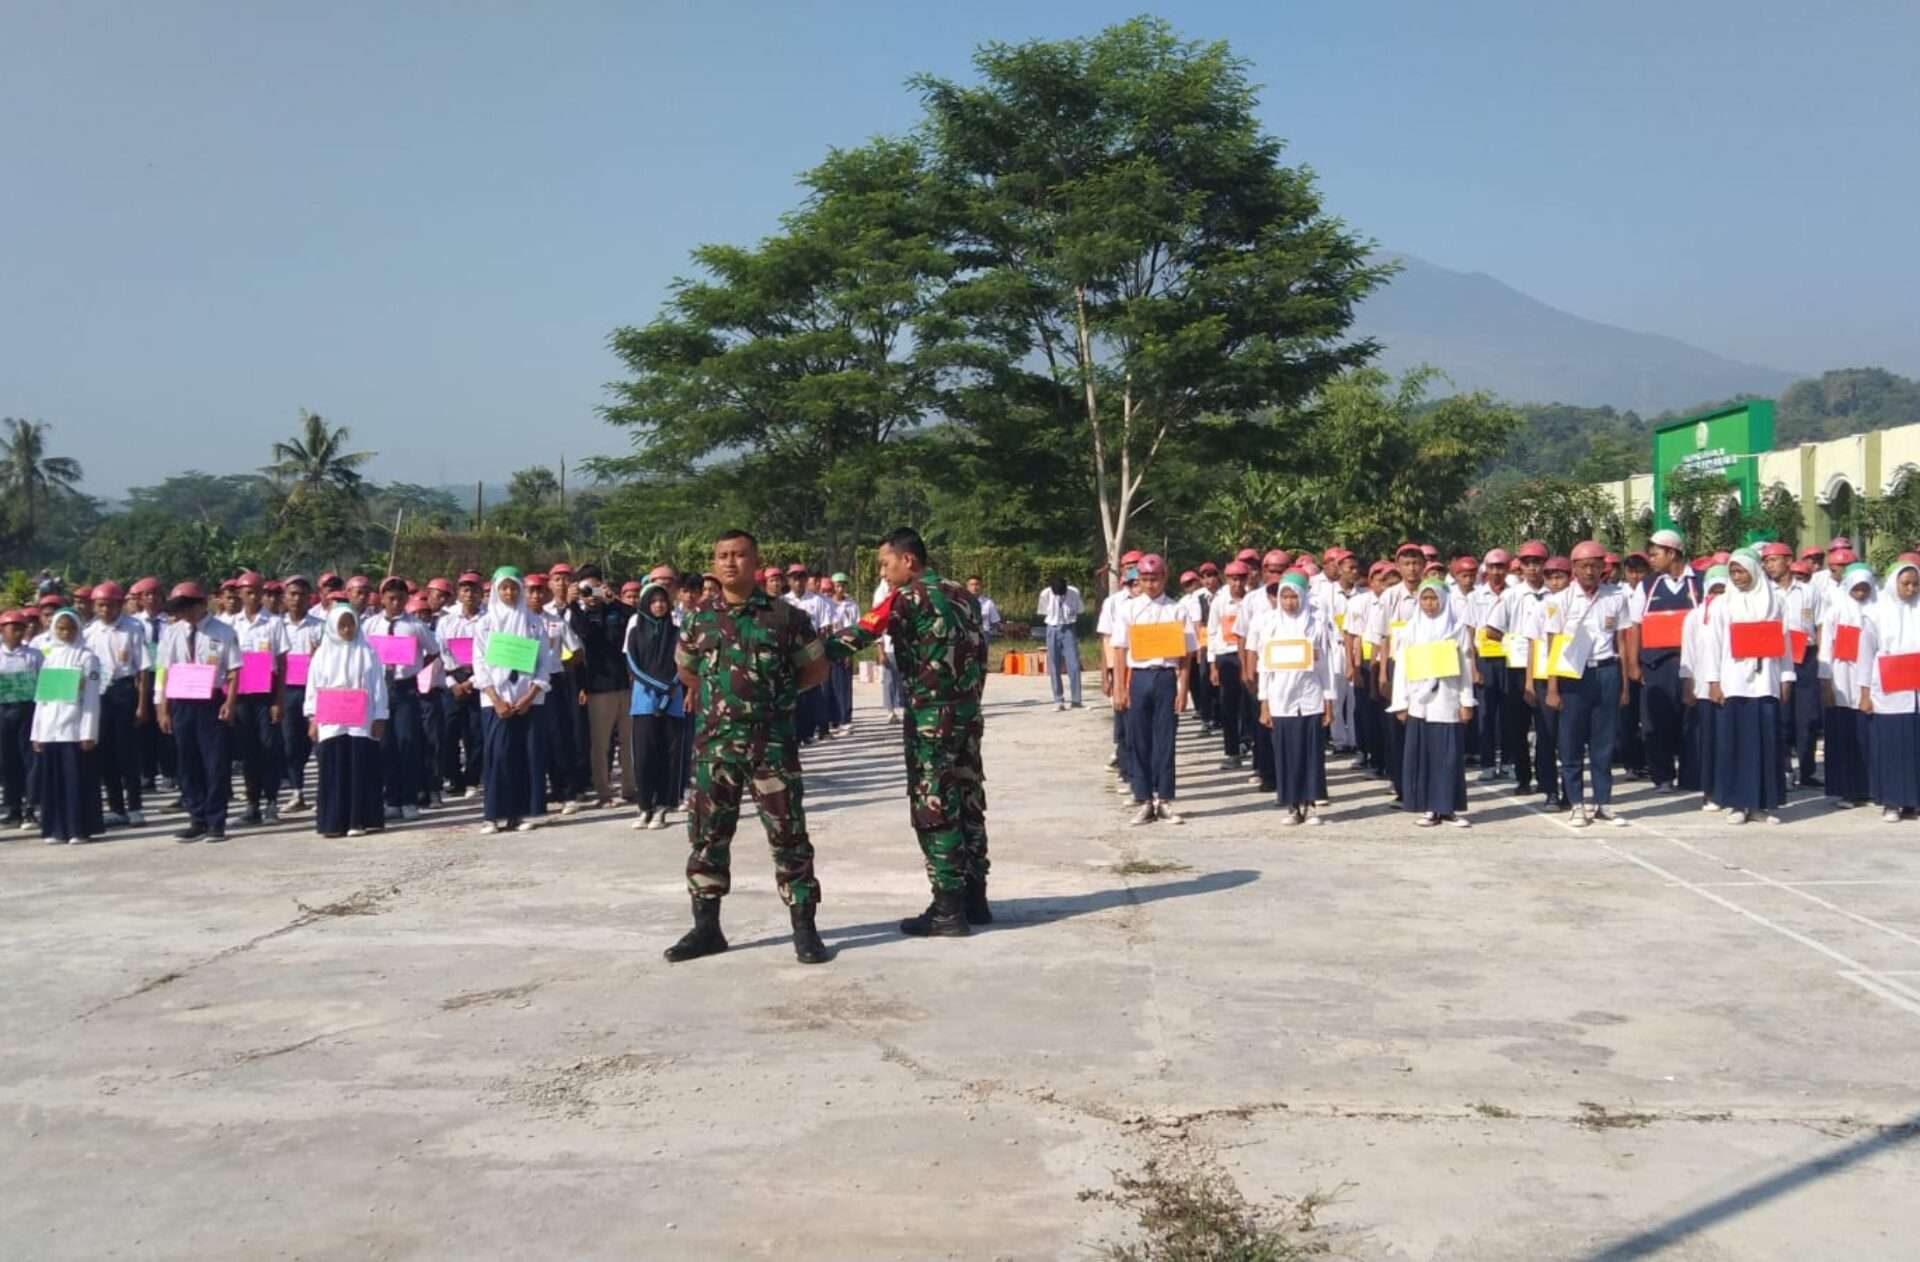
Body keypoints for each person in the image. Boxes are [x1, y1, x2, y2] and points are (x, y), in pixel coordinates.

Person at [666, 529, 831, 966]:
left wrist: (773, 700)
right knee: (707, 837)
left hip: (770, 746)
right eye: (722, 556)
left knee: (789, 836)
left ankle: (804, 928)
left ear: (756, 561)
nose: (730, 563)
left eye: (739, 555)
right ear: (714, 562)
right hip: (715, 748)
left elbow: (814, 669)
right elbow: (687, 671)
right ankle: (706, 927)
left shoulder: (785, 617)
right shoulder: (698, 619)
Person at [826, 527, 992, 933]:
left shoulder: (905, 599)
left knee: (934, 806)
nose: (883, 572)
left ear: (908, 561)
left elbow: (860, 634)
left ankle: (948, 909)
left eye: (885, 563)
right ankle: (975, 898)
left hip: (931, 722)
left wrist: (803, 654)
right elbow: (982, 652)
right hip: (968, 717)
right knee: (969, 800)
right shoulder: (965, 597)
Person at [1541, 541, 1634, 827]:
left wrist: (1624, 685)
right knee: (1570, 741)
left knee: (1603, 741)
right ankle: (1577, 803)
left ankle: (1603, 802)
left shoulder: (1615, 597)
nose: (1590, 571)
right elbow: (1553, 643)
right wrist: (1553, 688)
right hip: (1572, 675)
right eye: (1584, 566)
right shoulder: (1558, 601)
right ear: (1574, 569)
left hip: (1606, 672)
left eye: (1596, 565)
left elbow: (1620, 641)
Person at [1701, 548, 1792, 825]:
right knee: (1736, 743)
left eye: (1742, 571)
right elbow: (1712, 646)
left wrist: (1786, 677)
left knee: (1765, 743)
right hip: (1735, 683)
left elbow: (1785, 642)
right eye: (1733, 572)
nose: (1738, 577)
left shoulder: (1775, 601)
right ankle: (1738, 803)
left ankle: (1762, 804)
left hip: (1765, 683)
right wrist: (1714, 682)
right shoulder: (1722, 604)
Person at [155, 582, 243, 843]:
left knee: (215, 762)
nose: (182, 613)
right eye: (177, 609)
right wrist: (163, 708)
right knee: (187, 761)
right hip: (181, 700)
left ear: (200, 605)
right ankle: (197, 817)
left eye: (186, 607)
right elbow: (164, 671)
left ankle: (216, 820)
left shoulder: (223, 631)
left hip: (211, 700)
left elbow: (235, 670)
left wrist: (230, 702)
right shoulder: (172, 633)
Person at [1113, 553, 1196, 826]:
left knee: (1165, 740)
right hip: (1138, 677)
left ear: (1164, 578)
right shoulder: (1129, 609)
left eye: (1155, 579)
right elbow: (1120, 648)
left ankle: (1165, 799)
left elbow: (1186, 655)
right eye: (1145, 579)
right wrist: (1119, 688)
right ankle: (1144, 798)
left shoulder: (1176, 610)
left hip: (1165, 678)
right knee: (1139, 740)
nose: (1150, 585)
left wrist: (1183, 689)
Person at [474, 568, 555, 835]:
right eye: (504, 588)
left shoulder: (533, 623)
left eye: (513, 588)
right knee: (498, 755)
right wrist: (495, 698)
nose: (509, 593)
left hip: (528, 700)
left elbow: (545, 663)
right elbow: (479, 663)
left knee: (526, 755)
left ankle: (521, 812)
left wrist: (530, 695)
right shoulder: (485, 623)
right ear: (496, 590)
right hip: (496, 701)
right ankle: (493, 814)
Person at [1249, 572, 1332, 825]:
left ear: (1303, 596)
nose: (1288, 602)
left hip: (1310, 696)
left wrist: (1329, 701)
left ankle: (1311, 803)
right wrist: (1264, 703)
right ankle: (1293, 806)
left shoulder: (1316, 621)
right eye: (1284, 597)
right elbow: (1265, 667)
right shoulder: (1269, 623)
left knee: (1311, 752)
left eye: (1293, 596)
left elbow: (1326, 665)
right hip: (1280, 698)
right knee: (1286, 753)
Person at [1392, 577, 1475, 827]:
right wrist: (1401, 703)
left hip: (1447, 701)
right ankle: (1429, 808)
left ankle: (1447, 807)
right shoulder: (1409, 631)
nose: (1429, 604)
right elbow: (1402, 669)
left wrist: (1466, 701)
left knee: (1448, 757)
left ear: (1443, 599)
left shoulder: (1457, 629)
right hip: (1420, 703)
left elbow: (1465, 667)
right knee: (1424, 757)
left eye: (1433, 598)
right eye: (1425, 599)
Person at [305, 603, 389, 838]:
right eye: (341, 625)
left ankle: (359, 820)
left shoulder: (367, 651)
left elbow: (378, 687)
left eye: (350, 624)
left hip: (360, 718)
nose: (346, 629)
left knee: (359, 767)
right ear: (332, 627)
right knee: (334, 768)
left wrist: (380, 715)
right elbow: (313, 688)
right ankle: (333, 822)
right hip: (331, 719)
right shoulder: (322, 654)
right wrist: (313, 717)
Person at [1631, 529, 1698, 794]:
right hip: (1656, 664)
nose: (1651, 559)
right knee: (1657, 722)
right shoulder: (1647, 586)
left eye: (1655, 553)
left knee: (1690, 719)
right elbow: (1634, 626)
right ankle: (1663, 776)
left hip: (1690, 664)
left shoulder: (1699, 582)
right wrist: (1634, 664)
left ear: (1672, 553)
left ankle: (1693, 775)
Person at [31, 608, 105, 845]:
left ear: (78, 629)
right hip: (51, 730)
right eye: (61, 628)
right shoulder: (49, 657)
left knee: (75, 781)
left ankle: (78, 829)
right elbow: (41, 700)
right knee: (53, 783)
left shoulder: (87, 657)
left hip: (74, 728)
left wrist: (88, 731)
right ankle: (56, 829)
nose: (65, 633)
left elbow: (92, 696)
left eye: (70, 628)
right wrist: (38, 732)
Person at [368, 576, 439, 821]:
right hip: (380, 688)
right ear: (382, 599)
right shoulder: (371, 625)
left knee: (407, 742)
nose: (395, 602)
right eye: (390, 598)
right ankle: (392, 799)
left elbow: (433, 650)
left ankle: (410, 799)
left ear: (406, 599)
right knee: (385, 745)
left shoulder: (415, 625)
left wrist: (415, 666)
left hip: (405, 688)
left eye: (400, 597)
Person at [83, 580, 150, 827]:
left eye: (110, 606)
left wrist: (142, 705)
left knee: (128, 752)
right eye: (100, 606)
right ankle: (116, 807)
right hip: (99, 693)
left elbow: (142, 669)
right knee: (106, 753)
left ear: (119, 605)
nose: (105, 611)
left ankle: (135, 806)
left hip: (124, 690)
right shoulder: (89, 632)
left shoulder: (133, 628)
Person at [567, 570, 636, 808]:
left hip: (625, 684)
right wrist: (574, 604)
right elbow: (584, 633)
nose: (591, 595)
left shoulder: (616, 611)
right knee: (600, 743)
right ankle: (604, 792)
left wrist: (614, 599)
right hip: (598, 687)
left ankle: (630, 788)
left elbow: (638, 618)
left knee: (629, 741)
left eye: (594, 589)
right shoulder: (579, 615)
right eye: (586, 591)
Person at [228, 571, 289, 825]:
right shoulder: (231, 625)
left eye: (257, 592)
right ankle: (252, 803)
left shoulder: (274, 623)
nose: (253, 597)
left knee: (269, 749)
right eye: (248, 592)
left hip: (266, 695)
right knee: (248, 751)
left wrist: (278, 700)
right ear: (240, 594)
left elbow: (283, 665)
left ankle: (271, 801)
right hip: (241, 696)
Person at [624, 577, 685, 831]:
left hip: (672, 699)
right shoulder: (636, 632)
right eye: (654, 601)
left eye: (663, 601)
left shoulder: (677, 631)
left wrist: (670, 687)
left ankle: (663, 806)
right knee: (644, 754)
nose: (659, 605)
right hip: (644, 700)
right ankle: (644, 807)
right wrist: (657, 687)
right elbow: (633, 666)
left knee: (669, 755)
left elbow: (683, 663)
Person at [1861, 558, 1920, 821]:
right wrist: (1864, 693)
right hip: (1889, 687)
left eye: (1916, 584)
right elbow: (1865, 654)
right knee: (1892, 746)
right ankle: (1892, 802)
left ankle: (1913, 801)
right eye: (1906, 584)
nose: (1911, 589)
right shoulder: (1876, 613)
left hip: (1916, 690)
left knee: (1915, 747)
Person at [1818, 562, 1876, 809]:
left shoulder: (1878, 611)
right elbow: (1826, 651)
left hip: (1871, 683)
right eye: (1856, 588)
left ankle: (1870, 788)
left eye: (1865, 588)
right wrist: (1827, 684)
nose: (1861, 593)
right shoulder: (1836, 612)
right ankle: (1847, 791)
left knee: (1869, 738)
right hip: (1842, 681)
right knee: (1845, 738)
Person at [525, 575, 584, 814]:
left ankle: (566, 791)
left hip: (553, 683)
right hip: (525, 685)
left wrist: (561, 667)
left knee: (558, 737)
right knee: (532, 740)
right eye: (532, 591)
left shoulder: (556, 622)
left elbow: (577, 650)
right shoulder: (518, 622)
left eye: (540, 591)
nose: (536, 596)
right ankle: (534, 793)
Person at [1679, 565, 1729, 809]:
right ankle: (1710, 791)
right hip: (1703, 688)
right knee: (1708, 743)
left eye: (1723, 590)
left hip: (1734, 688)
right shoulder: (1695, 617)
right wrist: (1687, 685)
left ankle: (1731, 790)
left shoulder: (1736, 614)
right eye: (1715, 590)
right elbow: (1688, 655)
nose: (1719, 595)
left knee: (1730, 741)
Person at [436, 572, 488, 801]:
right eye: (465, 590)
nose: (469, 594)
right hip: (452, 679)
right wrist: (453, 683)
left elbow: (491, 655)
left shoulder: (489, 621)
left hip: (479, 678)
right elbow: (440, 655)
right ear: (458, 593)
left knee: (476, 733)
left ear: (481, 594)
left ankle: (473, 779)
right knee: (448, 733)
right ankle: (454, 778)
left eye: (474, 590)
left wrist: (472, 682)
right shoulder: (447, 621)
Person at [278, 575, 326, 813]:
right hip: (287, 691)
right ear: (285, 598)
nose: (297, 599)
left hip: (314, 690)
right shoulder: (277, 626)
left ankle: (322, 793)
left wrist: (319, 655)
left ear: (310, 599)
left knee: (318, 741)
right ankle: (297, 791)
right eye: (292, 594)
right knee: (290, 742)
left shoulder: (320, 626)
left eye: (302, 595)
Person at [1463, 552, 1511, 782]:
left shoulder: (1515, 593)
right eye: (1492, 567)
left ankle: (1510, 762)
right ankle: (1488, 763)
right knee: (1486, 713)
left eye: (1501, 567)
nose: (1497, 572)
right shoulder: (1475, 596)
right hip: (1484, 660)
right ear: (1486, 569)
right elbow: (1470, 632)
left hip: (1511, 659)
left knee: (1510, 712)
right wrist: (1473, 666)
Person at [1207, 560, 1250, 770]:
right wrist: (1213, 665)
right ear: (1227, 579)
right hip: (1226, 657)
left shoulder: (1252, 600)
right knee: (1229, 706)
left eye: (1241, 578)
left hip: (1250, 656)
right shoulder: (1219, 602)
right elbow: (1212, 632)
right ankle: (1232, 752)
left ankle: (1251, 745)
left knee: (1250, 703)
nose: (1237, 583)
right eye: (1233, 579)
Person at [0, 608, 41, 829]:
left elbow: (44, 684)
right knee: (7, 760)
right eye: (12, 628)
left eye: (20, 628)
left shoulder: (34, 655)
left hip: (28, 710)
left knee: (30, 760)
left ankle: (31, 808)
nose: (17, 632)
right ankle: (12, 807)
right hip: (3, 711)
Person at [1036, 575, 1085, 711]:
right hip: (1052, 627)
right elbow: (1043, 612)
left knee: (1073, 664)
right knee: (1054, 664)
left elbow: (1080, 609)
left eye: (1062, 593)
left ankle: (1076, 700)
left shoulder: (1074, 592)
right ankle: (1058, 699)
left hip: (1068, 627)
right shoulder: (1045, 594)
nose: (1059, 596)